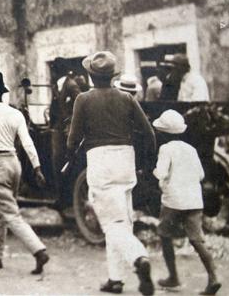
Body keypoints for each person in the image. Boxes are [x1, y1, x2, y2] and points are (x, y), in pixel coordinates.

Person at [67, 51, 157, 296]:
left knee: (110, 223)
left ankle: (139, 257)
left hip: (100, 161)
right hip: (126, 161)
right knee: (122, 220)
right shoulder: (127, 99)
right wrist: (148, 164)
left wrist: (72, 152)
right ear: (112, 75)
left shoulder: (83, 100)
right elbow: (149, 133)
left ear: (90, 75)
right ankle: (115, 279)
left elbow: (72, 140)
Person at [0, 70, 50, 273]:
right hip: (14, 163)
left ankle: (38, 250)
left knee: (9, 213)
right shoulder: (15, 113)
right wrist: (37, 167)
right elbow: (27, 142)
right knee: (1, 211)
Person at [152, 110, 220, 295]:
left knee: (164, 234)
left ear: (163, 133)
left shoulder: (165, 149)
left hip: (173, 200)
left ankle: (173, 277)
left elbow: (161, 173)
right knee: (197, 240)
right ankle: (214, 276)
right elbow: (200, 175)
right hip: (194, 200)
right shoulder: (191, 149)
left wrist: (157, 176)